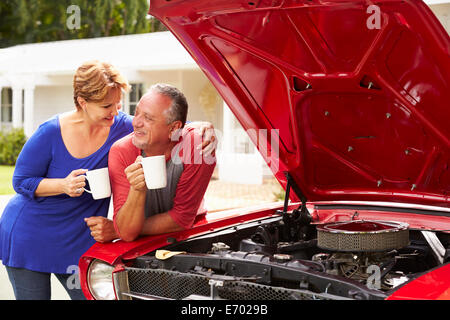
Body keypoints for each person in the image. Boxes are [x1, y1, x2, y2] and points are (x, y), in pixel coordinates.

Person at [0, 61, 215, 300]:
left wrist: (200, 126)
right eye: (106, 106)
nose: (115, 112)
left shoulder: (120, 126)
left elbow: (164, 124)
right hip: (30, 235)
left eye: (118, 103)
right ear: (83, 102)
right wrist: (63, 185)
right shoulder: (50, 132)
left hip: (80, 237)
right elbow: (21, 181)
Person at [109, 83, 216, 242]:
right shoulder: (121, 151)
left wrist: (116, 230)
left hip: (189, 238)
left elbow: (181, 219)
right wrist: (137, 189)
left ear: (174, 129)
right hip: (140, 245)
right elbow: (127, 233)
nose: (136, 123)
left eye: (148, 118)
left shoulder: (199, 146)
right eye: (136, 113)